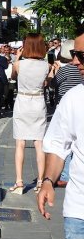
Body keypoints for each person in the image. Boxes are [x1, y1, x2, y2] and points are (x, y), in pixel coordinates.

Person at [37, 26, 84, 239]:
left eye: (81, 55)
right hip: (79, 212)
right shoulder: (74, 99)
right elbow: (56, 144)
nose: (75, 61)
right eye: (75, 54)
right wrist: (47, 181)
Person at [8, 33, 50, 194]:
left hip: (23, 101)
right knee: (39, 143)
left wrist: (17, 59)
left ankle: (19, 182)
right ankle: (40, 182)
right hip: (38, 101)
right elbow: (47, 83)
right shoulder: (46, 66)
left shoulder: (19, 64)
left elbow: (13, 78)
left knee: (20, 143)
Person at [48, 40, 81, 187]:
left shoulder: (66, 69)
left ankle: (65, 174)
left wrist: (53, 71)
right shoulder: (78, 71)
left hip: (63, 105)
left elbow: (52, 84)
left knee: (66, 142)